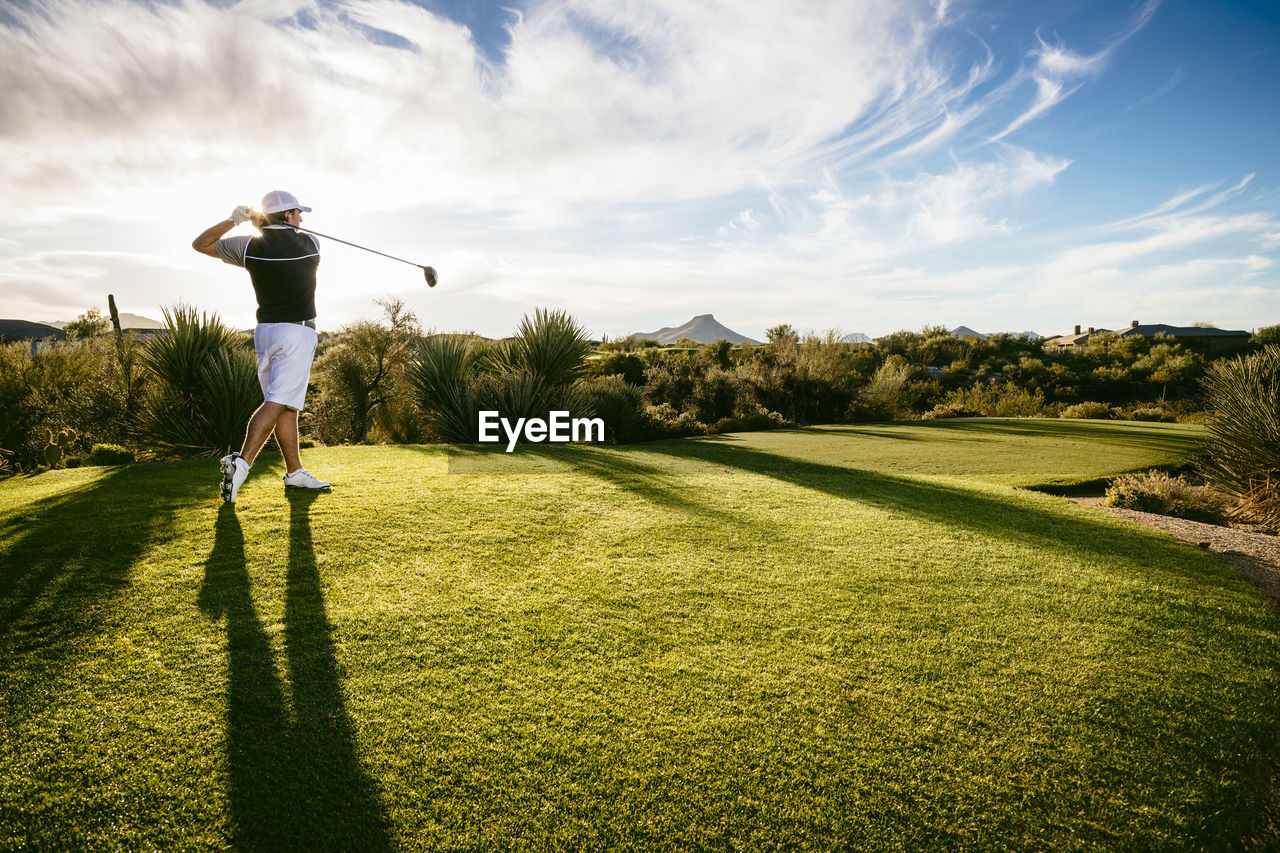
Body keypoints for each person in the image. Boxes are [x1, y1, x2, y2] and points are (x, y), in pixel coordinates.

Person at [192, 189, 331, 503]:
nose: (302, 218)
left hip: (265, 333)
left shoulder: (249, 248)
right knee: (277, 401)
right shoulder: (311, 244)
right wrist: (258, 218)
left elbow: (201, 244)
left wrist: (235, 219)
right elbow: (278, 231)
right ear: (286, 216)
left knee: (284, 404)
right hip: (297, 334)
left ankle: (294, 473)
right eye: (297, 213)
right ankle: (242, 463)